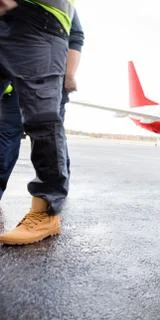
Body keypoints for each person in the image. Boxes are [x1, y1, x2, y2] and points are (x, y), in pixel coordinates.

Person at [0, 0, 76, 245]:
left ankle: (45, 211)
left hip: (39, 19)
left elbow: (79, 35)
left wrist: (70, 74)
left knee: (41, 118)